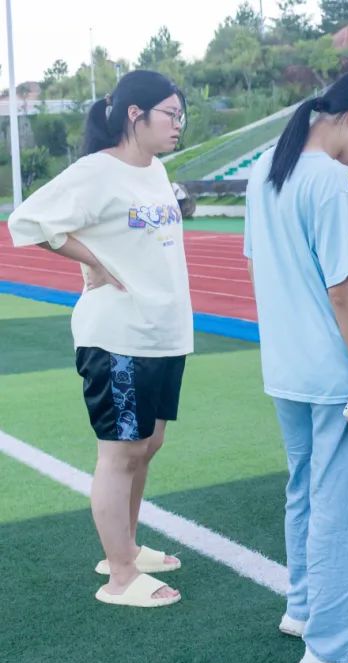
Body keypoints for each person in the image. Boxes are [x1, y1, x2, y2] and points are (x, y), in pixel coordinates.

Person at [244, 70, 348, 663]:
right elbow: (342, 291)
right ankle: (335, 650)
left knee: (307, 492)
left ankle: (306, 608)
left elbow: (260, 265)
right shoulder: (328, 181)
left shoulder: (266, 169)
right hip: (337, 374)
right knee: (346, 509)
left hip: (287, 367)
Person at [8, 71, 190, 608]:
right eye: (171, 114)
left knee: (148, 446)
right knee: (121, 453)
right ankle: (121, 577)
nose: (178, 124)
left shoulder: (156, 169)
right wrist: (93, 261)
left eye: (181, 115)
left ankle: (124, 549)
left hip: (163, 333)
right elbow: (28, 221)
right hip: (117, 336)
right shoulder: (95, 172)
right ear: (135, 115)